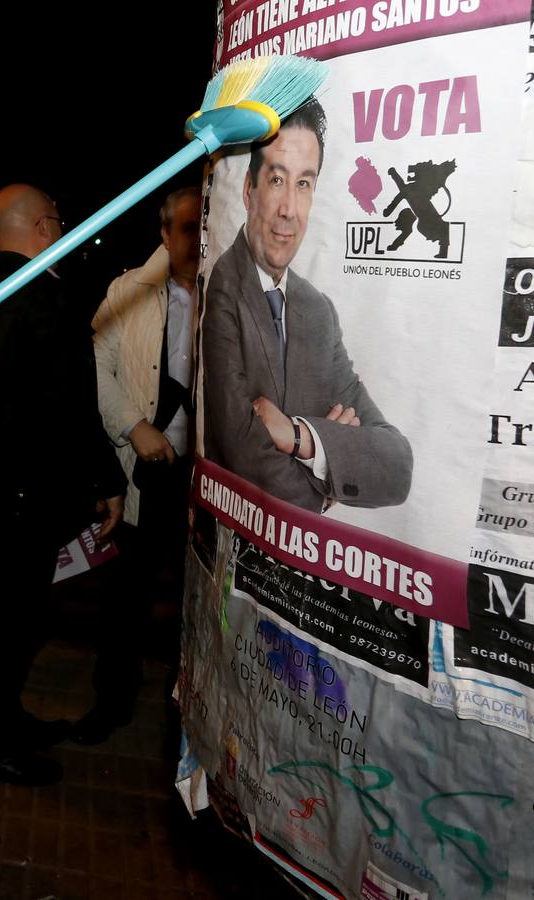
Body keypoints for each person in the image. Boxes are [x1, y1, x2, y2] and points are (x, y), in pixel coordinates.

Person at [0, 183, 125, 787]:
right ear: (44, 226)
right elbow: (68, 406)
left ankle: (4, 720)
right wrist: (106, 476)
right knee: (12, 624)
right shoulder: (39, 299)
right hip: (22, 496)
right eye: (60, 221)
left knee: (3, 617)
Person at [202, 99, 412, 513]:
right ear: (248, 191)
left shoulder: (318, 312)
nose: (288, 211)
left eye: (303, 184)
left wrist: (301, 437)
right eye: (277, 180)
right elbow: (244, 459)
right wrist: (330, 474)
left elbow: (397, 466)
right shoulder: (223, 282)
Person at [84, 185, 200, 744]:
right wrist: (134, 425)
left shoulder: (238, 292)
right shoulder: (128, 291)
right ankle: (111, 702)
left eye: (205, 227)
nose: (197, 240)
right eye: (187, 228)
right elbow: (95, 367)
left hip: (210, 483)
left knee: (201, 603)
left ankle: (195, 716)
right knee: (126, 597)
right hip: (146, 474)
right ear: (165, 233)